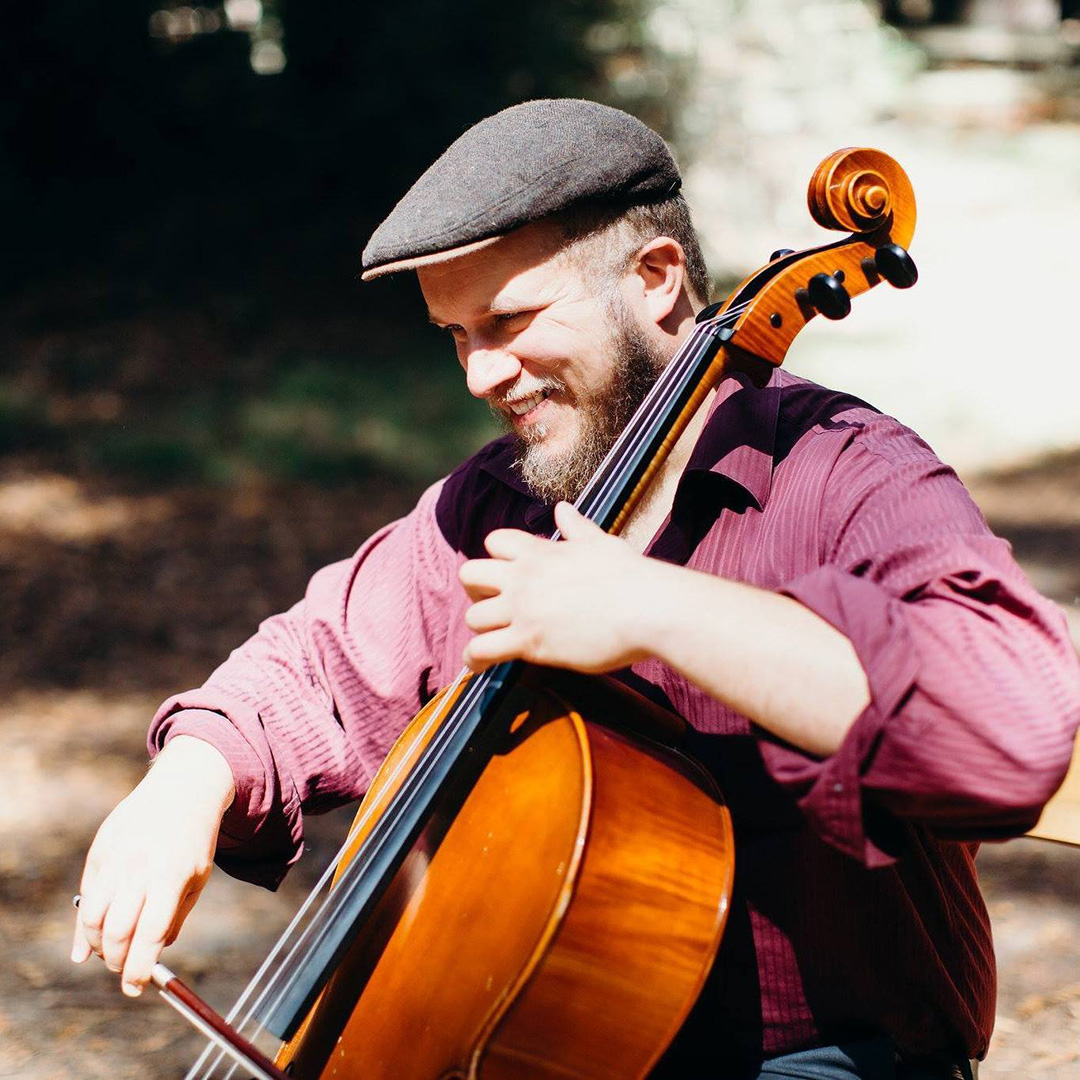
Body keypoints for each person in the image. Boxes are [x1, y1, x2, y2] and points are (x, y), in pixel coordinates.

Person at [71, 99, 1080, 1078]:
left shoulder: (848, 471)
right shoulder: (498, 501)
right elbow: (320, 664)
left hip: (820, 1055)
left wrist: (655, 607)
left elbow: (1012, 728)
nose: (480, 374)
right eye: (456, 335)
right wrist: (190, 779)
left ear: (654, 277)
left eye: (508, 318)